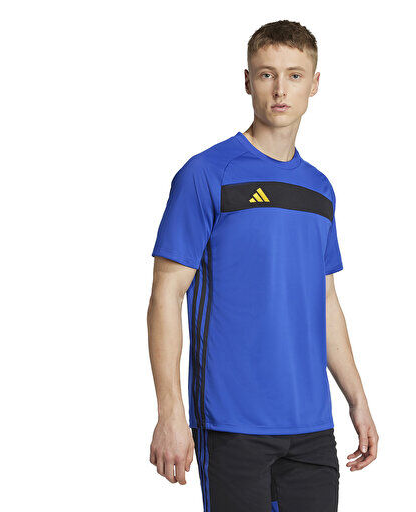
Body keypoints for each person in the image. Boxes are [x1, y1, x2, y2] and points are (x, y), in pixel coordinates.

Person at [147, 19, 379, 512]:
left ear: (314, 83)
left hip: (312, 426)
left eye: (295, 75)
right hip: (232, 421)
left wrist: (357, 400)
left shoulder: (320, 189)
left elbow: (325, 301)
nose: (280, 90)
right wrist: (170, 411)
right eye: (267, 74)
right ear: (247, 80)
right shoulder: (207, 174)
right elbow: (166, 294)